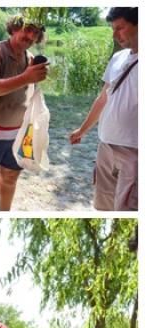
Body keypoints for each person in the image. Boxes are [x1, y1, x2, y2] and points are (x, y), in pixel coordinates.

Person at [0, 16, 48, 211]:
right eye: (27, 29)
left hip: (18, 133)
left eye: (35, 33)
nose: (30, 36)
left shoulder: (29, 58)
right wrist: (25, 77)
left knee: (11, 177)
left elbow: (25, 91)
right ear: (14, 28)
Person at [69, 7, 137, 211]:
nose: (115, 35)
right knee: (104, 208)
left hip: (133, 150)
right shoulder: (118, 58)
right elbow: (103, 98)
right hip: (105, 147)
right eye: (112, 29)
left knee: (128, 209)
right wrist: (82, 129)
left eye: (120, 28)